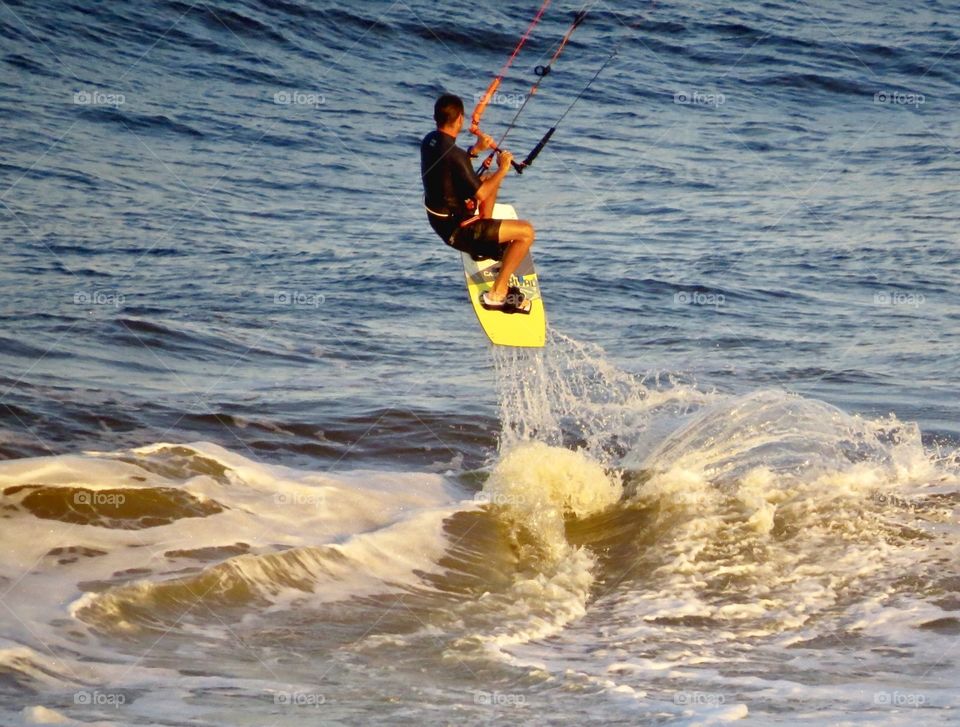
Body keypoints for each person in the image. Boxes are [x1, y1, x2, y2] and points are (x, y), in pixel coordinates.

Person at [421, 93, 535, 313]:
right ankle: (497, 294)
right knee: (526, 232)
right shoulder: (456, 155)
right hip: (459, 231)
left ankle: (483, 246)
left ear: (437, 118)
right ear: (460, 120)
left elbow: (451, 166)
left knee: (485, 178)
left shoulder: (430, 140)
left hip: (440, 219)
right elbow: (481, 194)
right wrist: (504, 169)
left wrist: (475, 151)